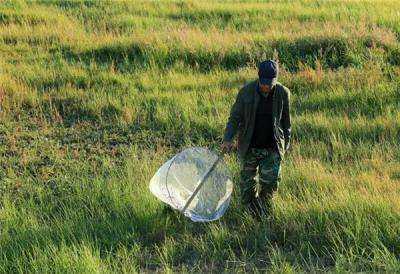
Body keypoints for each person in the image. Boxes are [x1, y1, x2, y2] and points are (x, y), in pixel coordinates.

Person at [221, 59, 291, 218]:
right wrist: (228, 138)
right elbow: (234, 118)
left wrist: (284, 147)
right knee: (247, 187)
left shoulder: (282, 93)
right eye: (264, 82)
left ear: (276, 79)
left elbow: (286, 123)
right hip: (249, 147)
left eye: (270, 83)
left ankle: (264, 215)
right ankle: (250, 214)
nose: (266, 86)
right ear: (259, 78)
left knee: (270, 185)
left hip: (272, 148)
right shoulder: (246, 92)